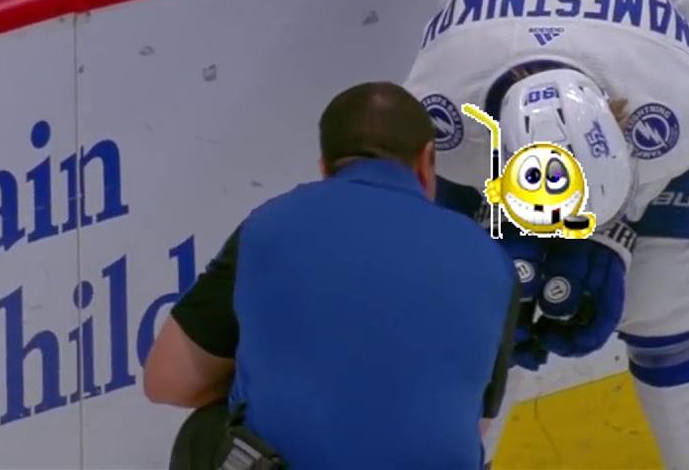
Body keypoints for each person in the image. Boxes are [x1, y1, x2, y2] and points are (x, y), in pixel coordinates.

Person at [402, 0, 689, 469]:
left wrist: (616, 233)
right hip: (505, 29)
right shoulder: (442, 113)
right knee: (478, 313)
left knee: (670, 294)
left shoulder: (678, 101)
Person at [143, 82, 521, 469]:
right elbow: (474, 423)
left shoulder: (271, 226)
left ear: (325, 168)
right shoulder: (494, 263)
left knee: (204, 433)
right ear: (427, 162)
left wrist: (277, 369)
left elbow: (167, 381)